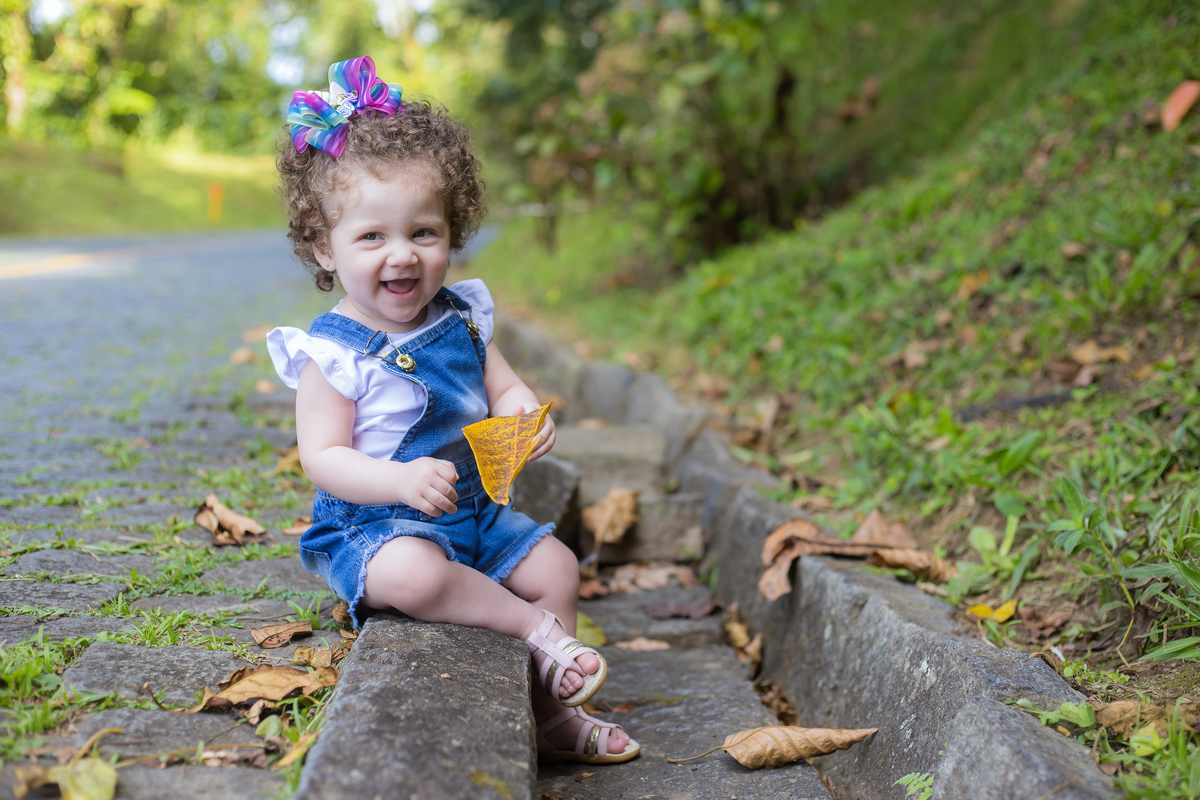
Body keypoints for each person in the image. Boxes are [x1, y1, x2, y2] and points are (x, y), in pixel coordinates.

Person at [267, 56, 637, 765]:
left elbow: (506, 387)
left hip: (473, 513)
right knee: (412, 576)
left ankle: (555, 717)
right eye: (371, 237)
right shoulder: (333, 353)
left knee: (558, 566)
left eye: (423, 233)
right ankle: (532, 631)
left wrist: (525, 417)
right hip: (378, 523)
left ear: (452, 230)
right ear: (324, 246)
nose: (402, 256)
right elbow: (323, 456)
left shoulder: (461, 318)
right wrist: (398, 481)